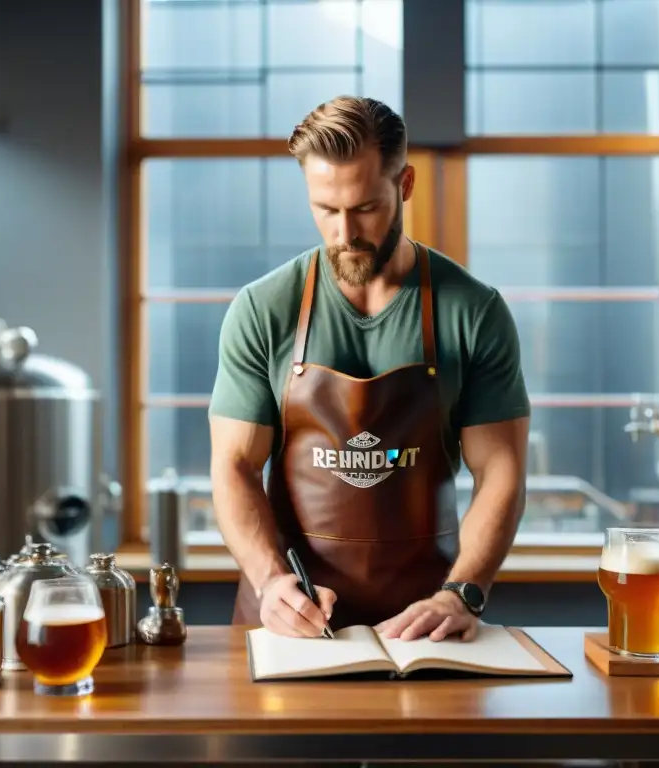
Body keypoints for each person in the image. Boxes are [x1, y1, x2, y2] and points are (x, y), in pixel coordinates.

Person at [208, 96, 530, 643]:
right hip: (287, 620)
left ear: (404, 185)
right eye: (325, 210)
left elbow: (501, 471)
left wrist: (464, 592)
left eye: (364, 209)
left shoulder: (473, 312)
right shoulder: (263, 309)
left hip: (427, 628)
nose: (343, 233)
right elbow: (234, 465)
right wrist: (271, 581)